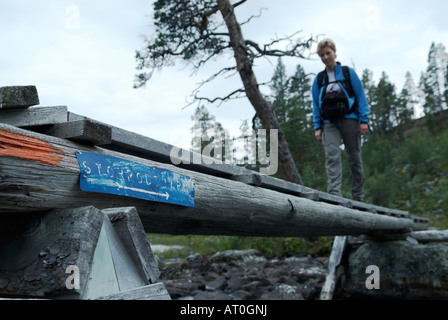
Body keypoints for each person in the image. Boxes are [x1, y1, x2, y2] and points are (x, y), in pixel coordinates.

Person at [311, 39, 370, 201]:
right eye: (322, 55)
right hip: (329, 123)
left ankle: (358, 197)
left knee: (354, 158)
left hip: (350, 119)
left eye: (328, 53)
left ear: (334, 52)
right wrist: (317, 126)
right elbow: (316, 104)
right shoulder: (319, 79)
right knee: (332, 156)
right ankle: (334, 196)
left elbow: (360, 96)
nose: (325, 57)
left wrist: (363, 120)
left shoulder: (347, 73)